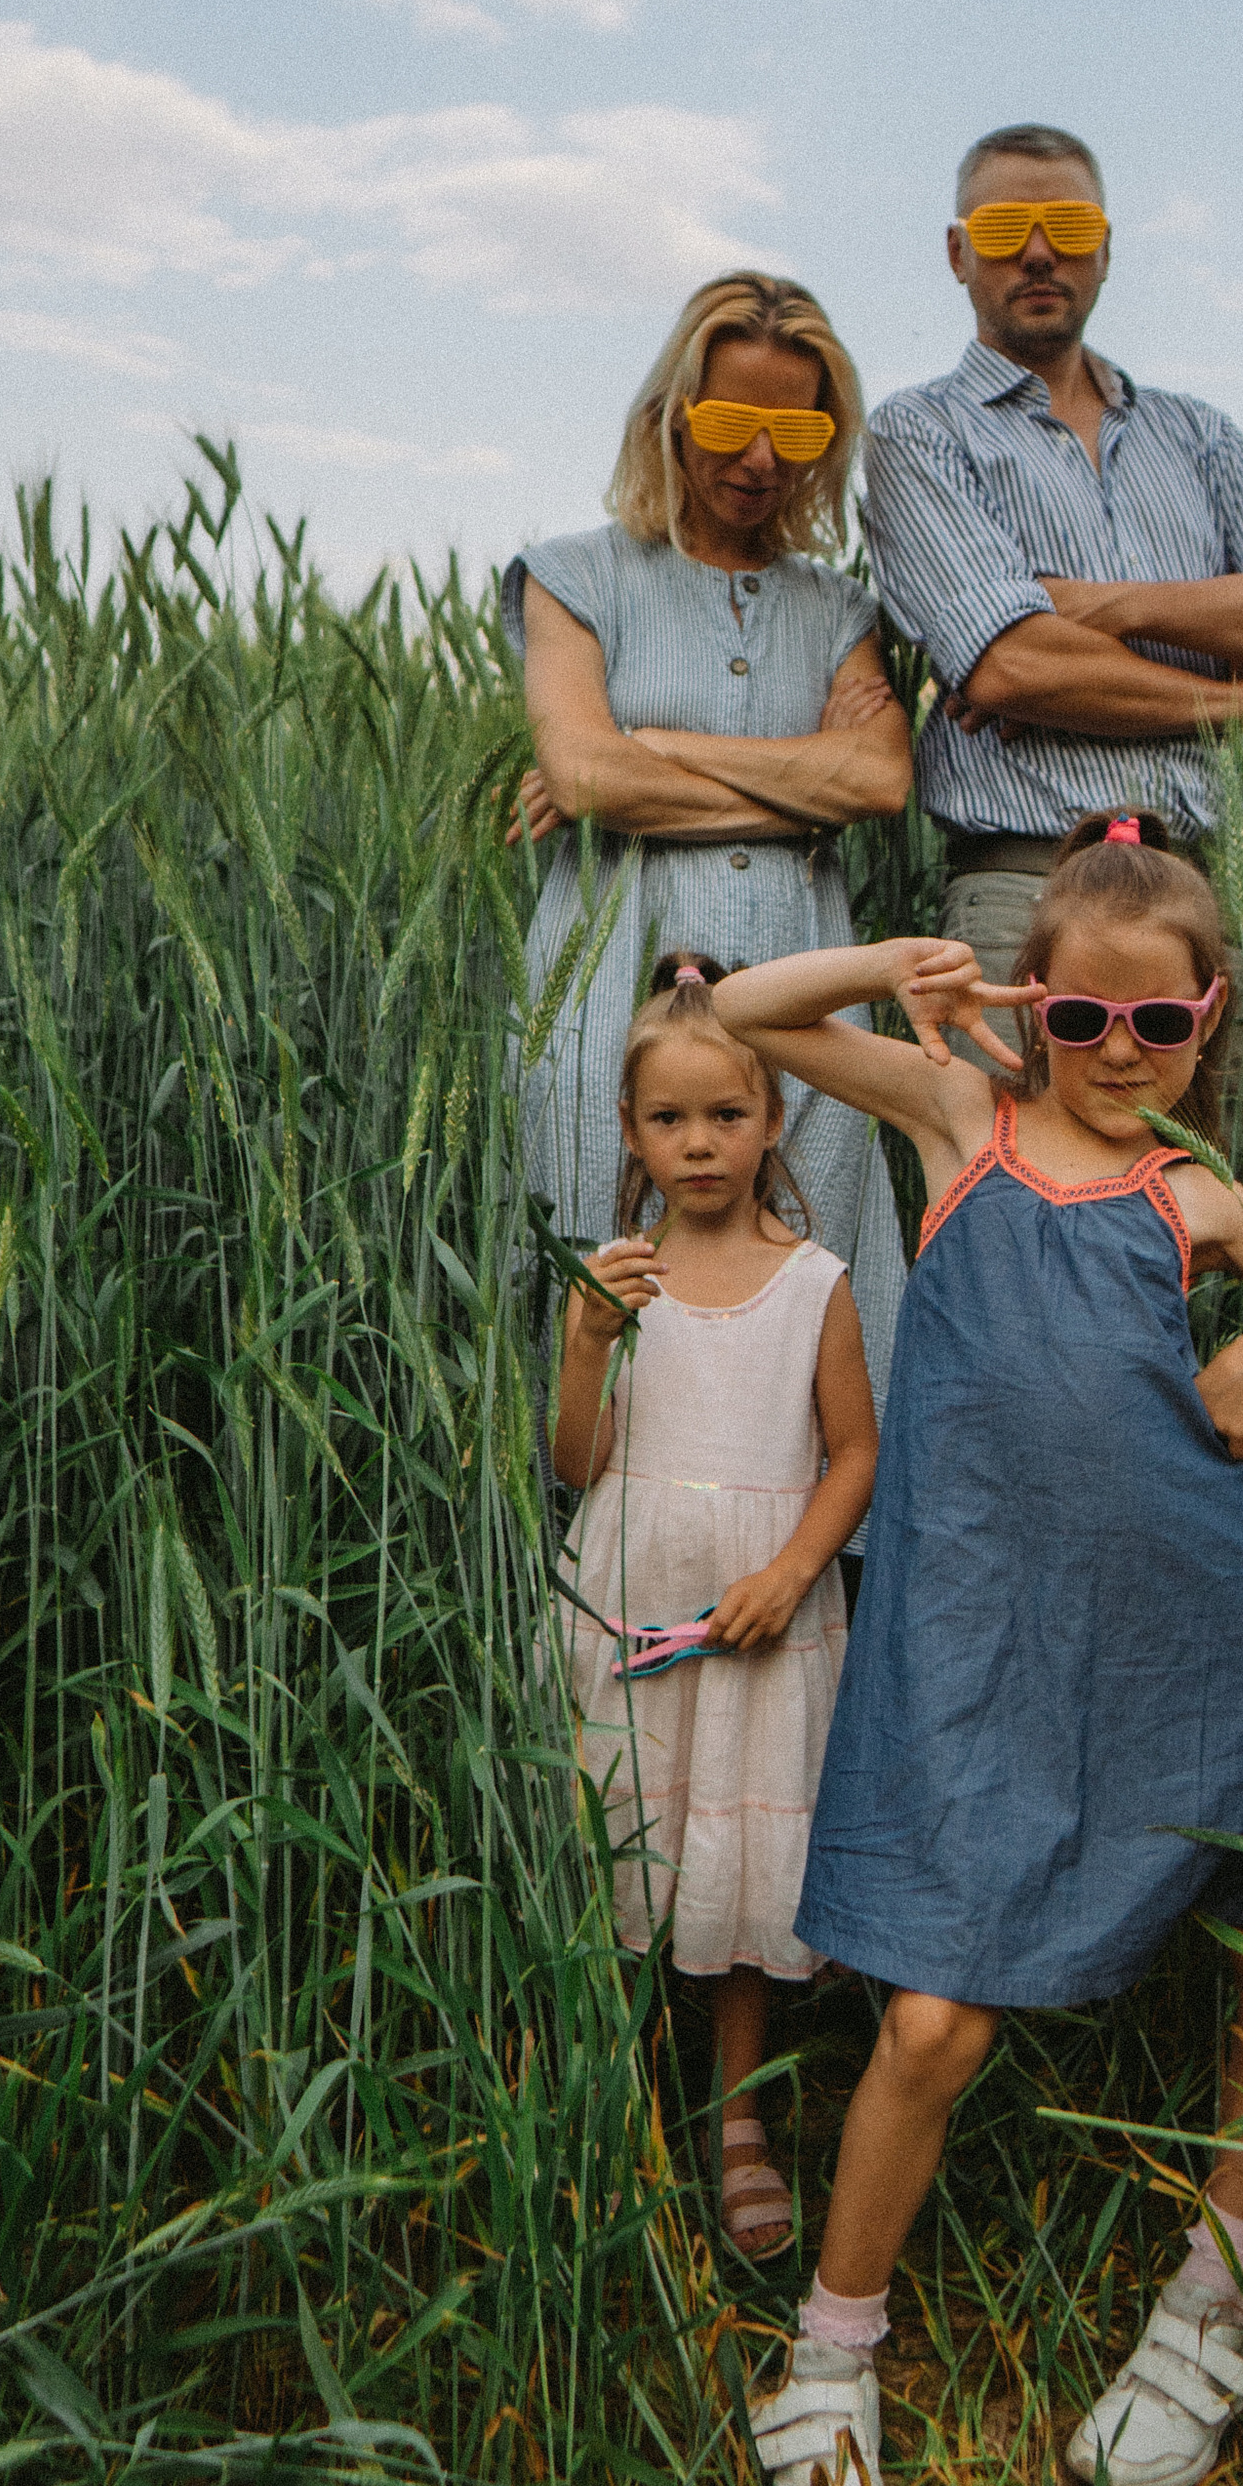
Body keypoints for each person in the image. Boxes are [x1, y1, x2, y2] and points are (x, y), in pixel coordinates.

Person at [710, 815, 1243, 2486]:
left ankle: (1213, 2295)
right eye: (1082, 1018)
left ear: (1208, 1017)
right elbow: (746, 1013)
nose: (1119, 1052)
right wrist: (896, 967)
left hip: (1195, 1631)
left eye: (1158, 1023)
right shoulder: (962, 1121)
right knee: (933, 2017)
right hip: (981, 1635)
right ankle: (831, 2360)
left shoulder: (1197, 1198)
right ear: (1029, 1005)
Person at [859, 128, 1243, 1039]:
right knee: (1024, 1141)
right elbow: (1013, 667)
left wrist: (1099, 604)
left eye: (1067, 225)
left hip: (1200, 898)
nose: (1038, 252)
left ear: (1104, 248)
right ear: (957, 253)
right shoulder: (920, 432)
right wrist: (1240, 690)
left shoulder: (1197, 434)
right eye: (1004, 229)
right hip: (1026, 894)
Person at [502, 272, 913, 1417]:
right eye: (732, 422)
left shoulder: (838, 610)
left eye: (798, 431)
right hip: (604, 985)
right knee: (605, 1279)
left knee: (821, 1291)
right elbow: (584, 776)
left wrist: (660, 747)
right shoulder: (574, 577)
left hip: (809, 997)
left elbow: (881, 779)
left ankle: (816, 1530)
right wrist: (803, 790)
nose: (762, 459)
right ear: (671, 415)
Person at [550, 957, 879, 2263]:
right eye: (670, 1119)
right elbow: (577, 1462)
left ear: (774, 1120)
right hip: (628, 1607)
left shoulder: (815, 1282)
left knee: (741, 1874)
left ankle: (739, 2115)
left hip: (759, 1627)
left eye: (727, 1115)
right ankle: (609, 2093)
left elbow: (854, 1453)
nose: (699, 1143)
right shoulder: (612, 1285)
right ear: (630, 1133)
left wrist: (792, 1572)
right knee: (623, 1844)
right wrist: (584, 1345)